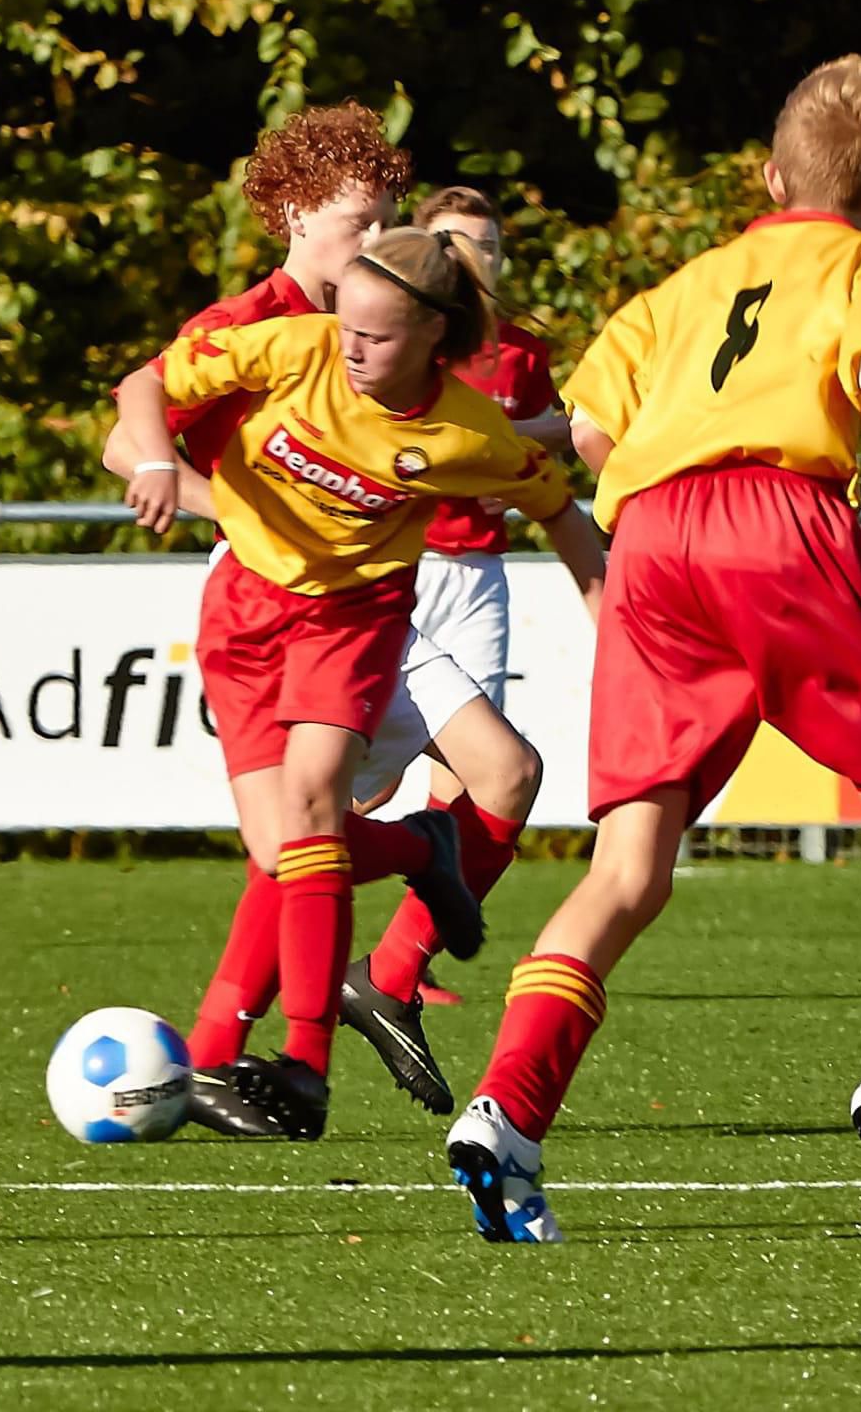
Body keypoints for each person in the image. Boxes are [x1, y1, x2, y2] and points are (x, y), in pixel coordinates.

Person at [444, 55, 861, 1242]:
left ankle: (504, 1110)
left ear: (767, 174)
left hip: (650, 542)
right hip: (779, 527)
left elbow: (594, 432)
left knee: (625, 866)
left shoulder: (684, 282)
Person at [113, 226, 579, 1143]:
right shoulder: (289, 339)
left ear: (434, 341)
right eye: (347, 327)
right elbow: (143, 387)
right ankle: (418, 848)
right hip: (247, 606)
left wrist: (617, 603)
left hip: (355, 614)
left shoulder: (458, 423)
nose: (350, 344)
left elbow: (552, 493)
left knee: (327, 800)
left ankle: (302, 1065)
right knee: (284, 844)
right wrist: (162, 462)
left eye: (376, 334)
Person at [339, 186, 604, 1077]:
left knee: (488, 775)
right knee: (338, 812)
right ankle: (267, 1019)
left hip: (471, 578)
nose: (474, 259)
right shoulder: (333, 345)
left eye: (485, 245)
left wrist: (504, 454)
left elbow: (561, 439)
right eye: (457, 244)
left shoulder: (511, 358)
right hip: (377, 588)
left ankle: (392, 971)